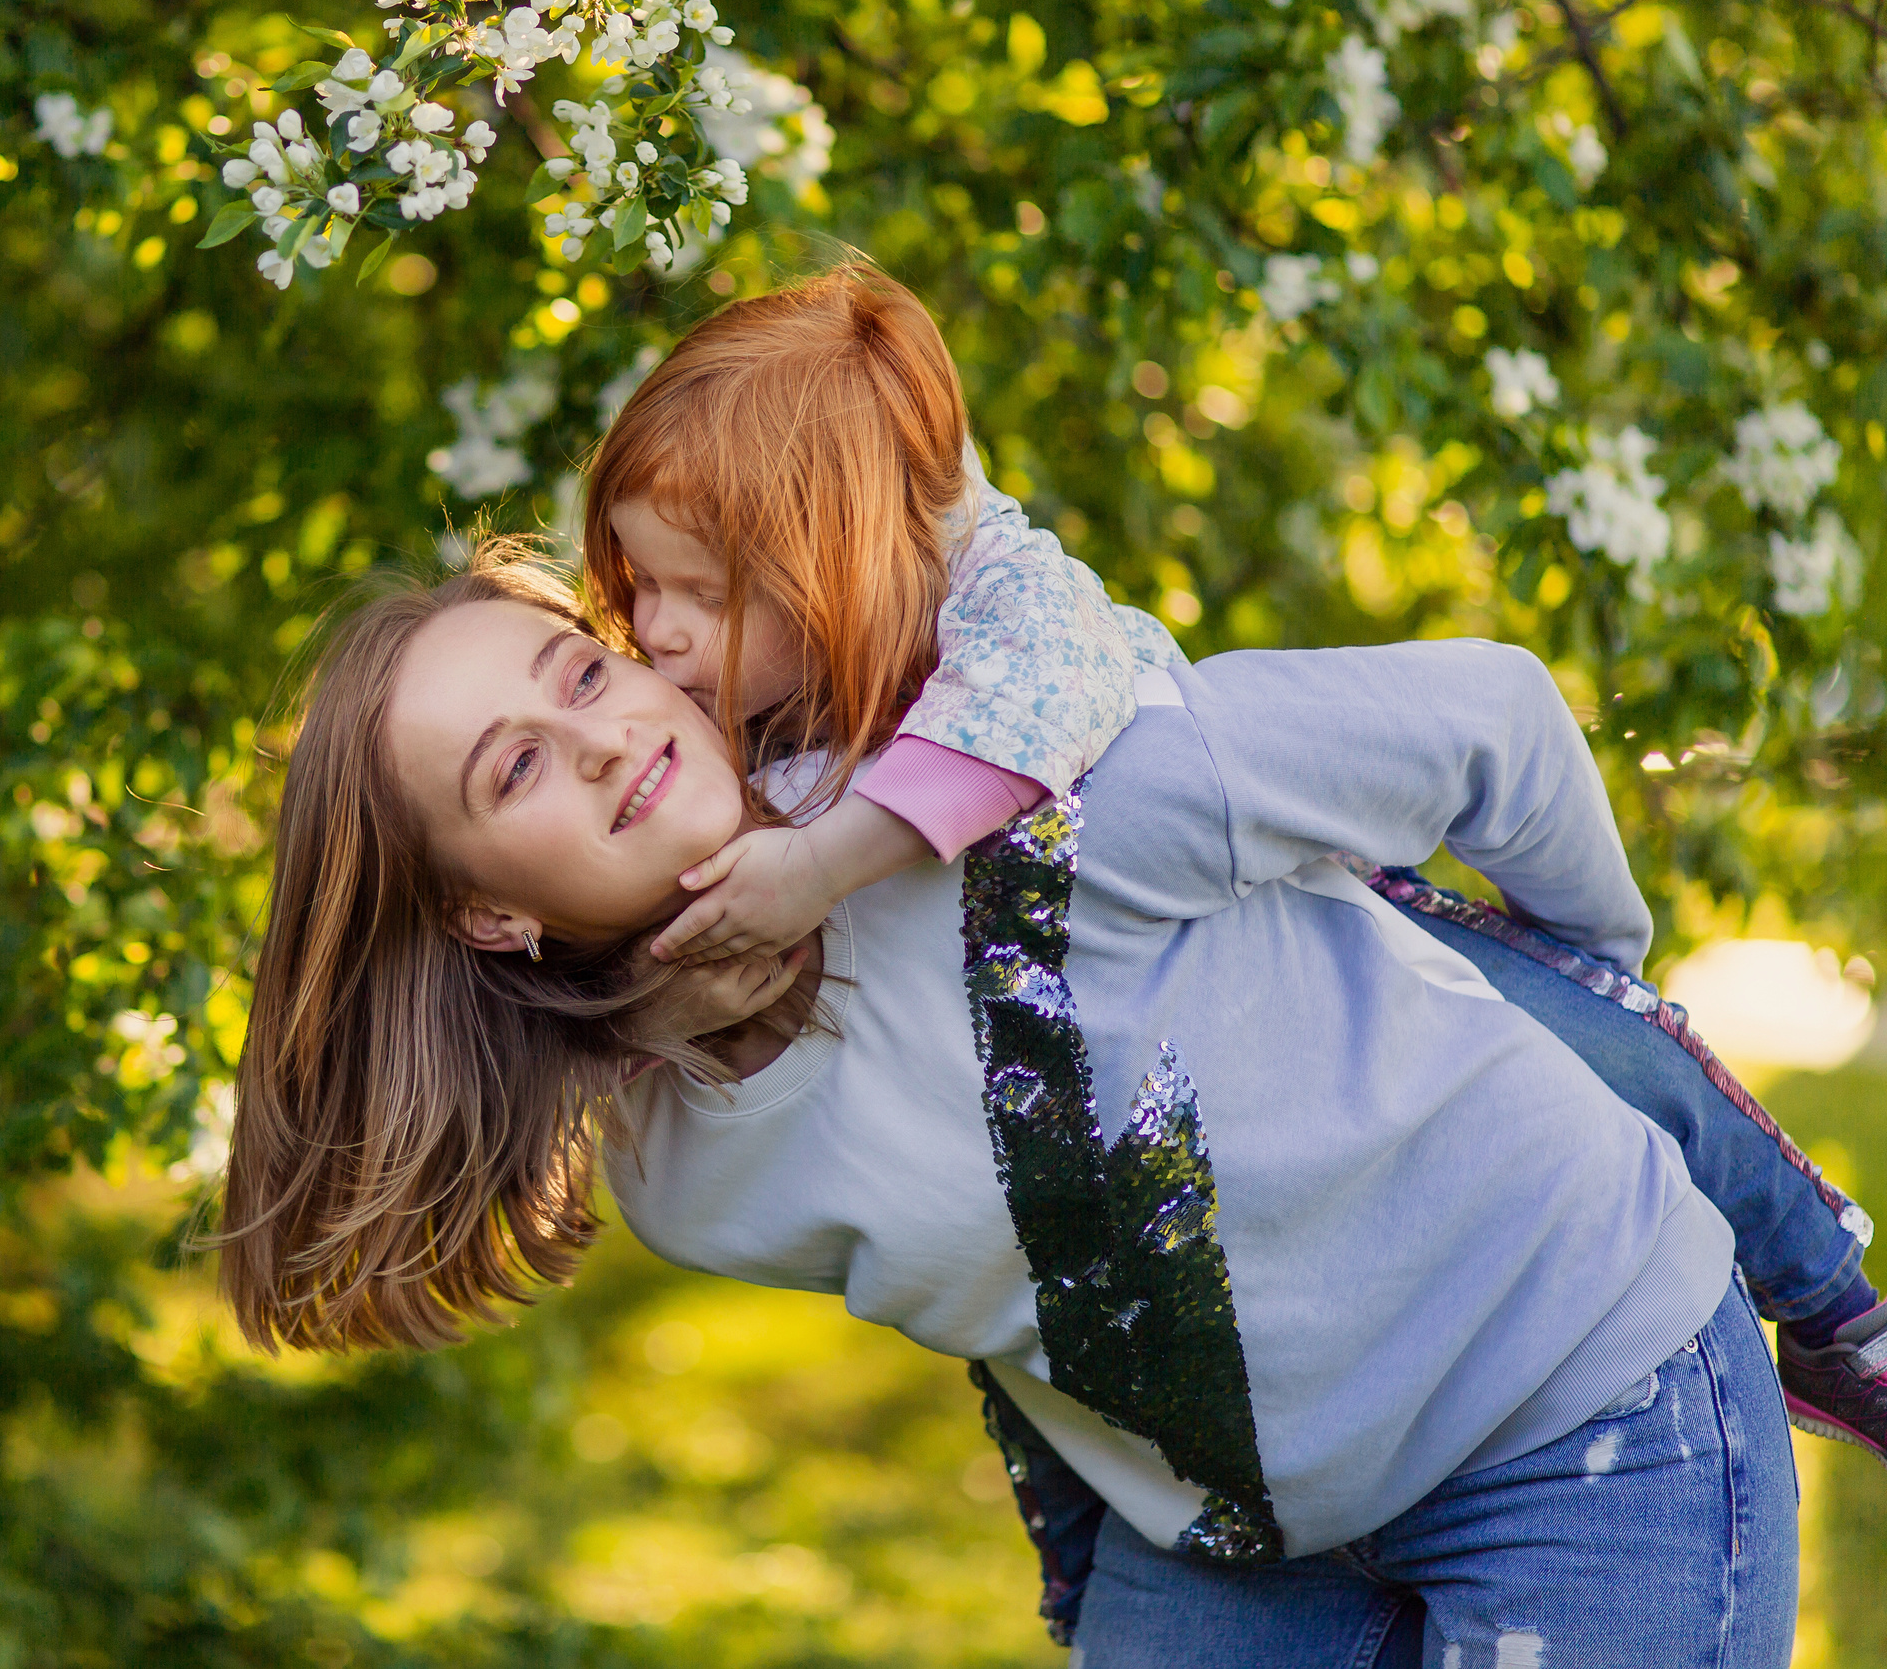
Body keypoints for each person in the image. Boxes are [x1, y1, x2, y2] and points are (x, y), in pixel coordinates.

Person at [223, 557, 1798, 1663]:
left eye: (582, 671)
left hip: (1582, 1399)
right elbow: (995, 1252)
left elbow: (1497, 721)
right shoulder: (686, 1174)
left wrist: (1604, 984)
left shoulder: (1010, 787)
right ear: (489, 918)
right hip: (1248, 1538)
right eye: (517, 772)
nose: (602, 735)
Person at [578, 267, 1884, 1492]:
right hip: (1154, 1156)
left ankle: (1832, 1301)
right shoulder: (766, 707)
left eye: (699, 588)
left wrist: (1583, 956)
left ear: (836, 564)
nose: (657, 629)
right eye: (643, 580)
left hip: (1297, 900)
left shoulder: (994, 588)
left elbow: (1027, 729)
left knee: (1610, 1045)